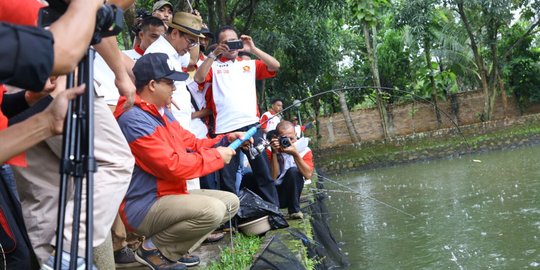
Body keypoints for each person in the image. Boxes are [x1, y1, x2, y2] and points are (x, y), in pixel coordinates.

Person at [115, 53, 241, 270]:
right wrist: (217, 157)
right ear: (152, 85)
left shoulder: (161, 113)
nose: (174, 88)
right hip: (143, 204)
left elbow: (190, 142)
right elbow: (171, 166)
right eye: (170, 82)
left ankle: (169, 253)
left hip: (168, 195)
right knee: (212, 210)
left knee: (231, 202)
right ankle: (153, 251)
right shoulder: (133, 119)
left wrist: (224, 140)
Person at [194, 25, 280, 204]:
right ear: (218, 44)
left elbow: (275, 65)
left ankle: (274, 210)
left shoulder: (249, 63)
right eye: (225, 43)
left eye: (234, 41)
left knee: (262, 170)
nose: (230, 46)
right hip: (225, 130)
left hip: (252, 126)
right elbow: (198, 78)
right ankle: (231, 222)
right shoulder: (214, 65)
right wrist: (213, 54)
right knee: (228, 177)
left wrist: (253, 49)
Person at [267, 121, 314, 219]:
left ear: (296, 135)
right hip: (274, 195)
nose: (289, 142)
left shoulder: (305, 150)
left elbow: (308, 175)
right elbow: (272, 177)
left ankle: (294, 211)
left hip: (291, 193)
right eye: (284, 138)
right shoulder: (271, 150)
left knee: (294, 171)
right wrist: (274, 153)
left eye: (291, 138)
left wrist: (295, 154)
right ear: (277, 138)